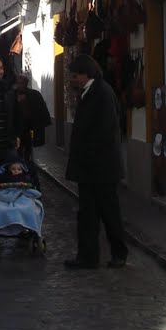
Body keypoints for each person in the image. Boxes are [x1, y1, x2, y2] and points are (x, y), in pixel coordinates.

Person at [64, 53, 130, 270]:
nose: (71, 80)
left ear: (86, 74)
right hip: (92, 168)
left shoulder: (101, 93)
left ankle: (118, 253)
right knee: (88, 213)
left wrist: (89, 156)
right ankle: (88, 256)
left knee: (108, 212)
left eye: (74, 76)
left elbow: (106, 132)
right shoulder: (91, 92)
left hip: (100, 168)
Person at [15, 74, 51, 161]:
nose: (20, 85)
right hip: (16, 128)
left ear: (26, 83)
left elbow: (41, 110)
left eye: (22, 83)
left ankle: (27, 165)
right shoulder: (12, 95)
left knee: (28, 148)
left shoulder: (34, 94)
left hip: (29, 127)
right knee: (18, 149)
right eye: (18, 83)